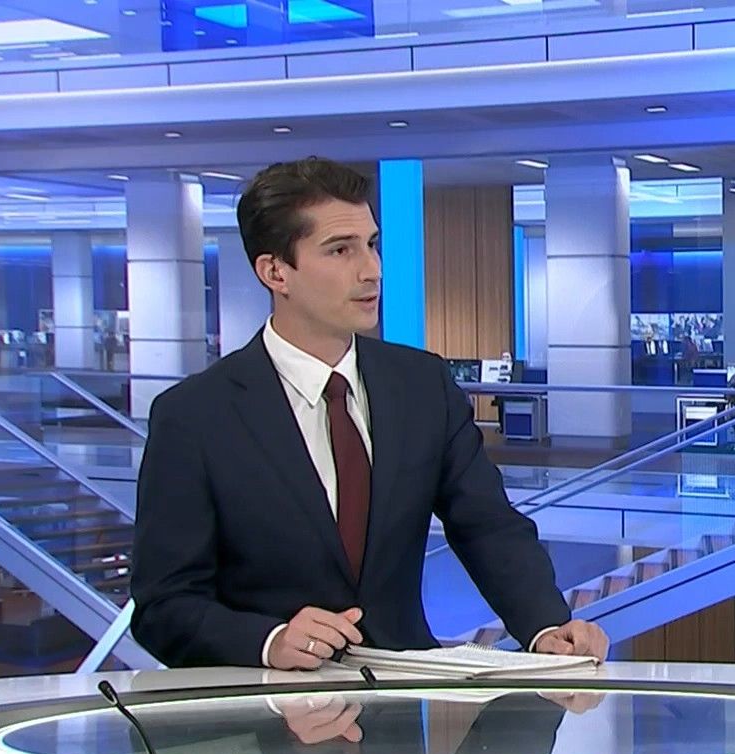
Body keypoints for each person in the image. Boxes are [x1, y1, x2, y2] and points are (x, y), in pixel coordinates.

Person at [131, 157, 607, 670]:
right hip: (267, 705)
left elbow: (488, 527)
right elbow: (163, 605)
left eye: (371, 244)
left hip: (401, 699)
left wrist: (546, 627)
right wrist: (270, 641)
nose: (372, 270)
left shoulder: (422, 385)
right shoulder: (195, 416)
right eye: (341, 250)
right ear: (275, 271)